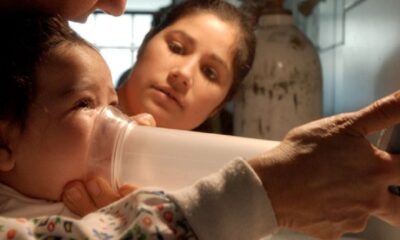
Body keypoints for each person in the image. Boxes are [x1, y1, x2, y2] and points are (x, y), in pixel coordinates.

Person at [3, 1, 400, 240]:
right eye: (176, 47)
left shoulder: (215, 173)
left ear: (218, 108)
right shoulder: (36, 166)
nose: (183, 74)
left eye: (211, 72)